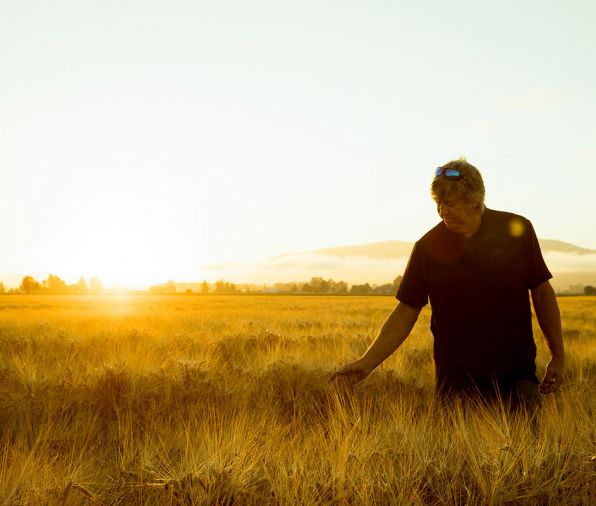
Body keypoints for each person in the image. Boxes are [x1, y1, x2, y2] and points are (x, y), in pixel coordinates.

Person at [332, 158, 564, 410]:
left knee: (527, 448)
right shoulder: (427, 247)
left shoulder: (516, 230)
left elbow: (541, 292)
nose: (442, 211)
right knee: (453, 450)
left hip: (516, 376)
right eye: (438, 203)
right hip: (456, 381)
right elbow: (406, 310)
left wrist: (558, 355)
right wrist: (367, 362)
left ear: (475, 200)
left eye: (449, 203)